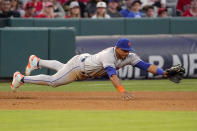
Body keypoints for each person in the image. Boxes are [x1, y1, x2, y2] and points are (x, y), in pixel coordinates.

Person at [11, 38, 170, 101]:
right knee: (54, 81)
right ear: (117, 48)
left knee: (61, 68)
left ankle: (37, 61)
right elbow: (113, 76)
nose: (127, 53)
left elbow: (147, 66)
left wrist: (164, 73)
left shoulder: (130, 56)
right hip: (78, 68)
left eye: (128, 50)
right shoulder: (109, 55)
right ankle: (21, 78)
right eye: (124, 50)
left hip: (85, 63)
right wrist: (121, 90)